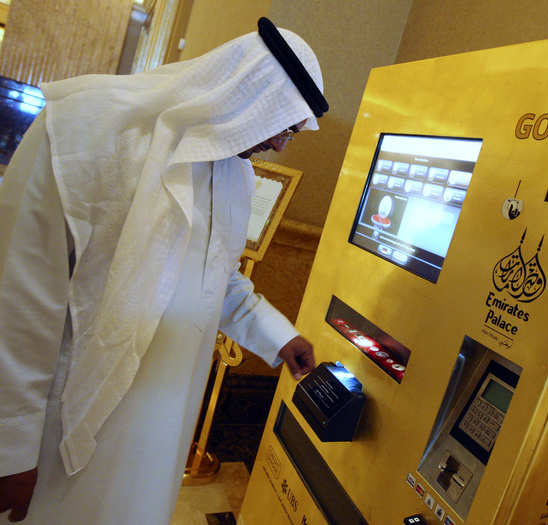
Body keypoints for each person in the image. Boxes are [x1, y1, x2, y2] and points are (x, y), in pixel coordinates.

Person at [0, 18, 327, 524]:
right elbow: (20, 297)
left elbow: (212, 278)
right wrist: (9, 449)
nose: (284, 144)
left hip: (160, 429)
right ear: (251, 94)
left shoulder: (234, 174)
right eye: (286, 124)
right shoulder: (87, 128)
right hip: (61, 423)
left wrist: (275, 334)